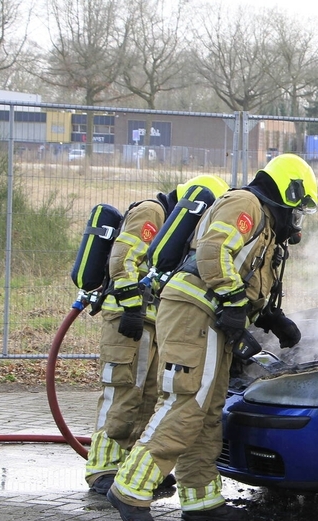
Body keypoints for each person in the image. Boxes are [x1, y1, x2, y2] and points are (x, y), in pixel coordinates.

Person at [107, 154, 318, 521]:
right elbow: (212, 252)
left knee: (208, 409)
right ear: (289, 191)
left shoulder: (265, 224)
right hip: (194, 312)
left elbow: (242, 272)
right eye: (298, 209)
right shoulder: (246, 204)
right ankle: (131, 489)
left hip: (208, 315)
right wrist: (235, 300)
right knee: (186, 401)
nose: (298, 220)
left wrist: (269, 317)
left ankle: (201, 499)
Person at [84, 174, 229, 496]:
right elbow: (122, 259)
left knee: (149, 397)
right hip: (127, 318)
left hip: (153, 320)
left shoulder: (172, 226)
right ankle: (102, 467)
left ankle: (132, 467)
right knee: (122, 391)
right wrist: (133, 308)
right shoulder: (152, 213)